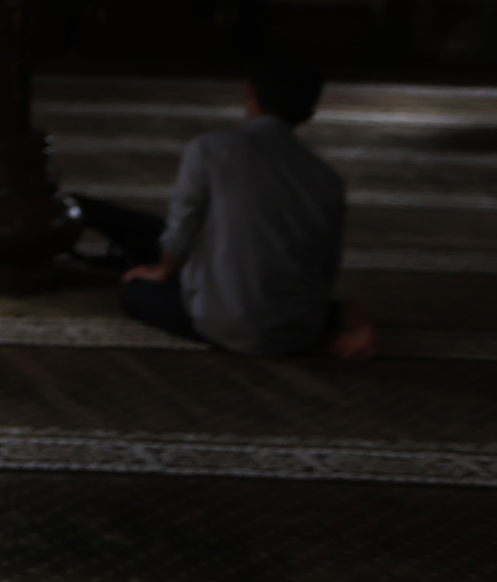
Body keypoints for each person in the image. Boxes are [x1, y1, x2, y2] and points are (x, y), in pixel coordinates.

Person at [77, 61, 375, 359]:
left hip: (229, 324)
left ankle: (76, 212)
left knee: (134, 291)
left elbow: (182, 230)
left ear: (250, 92)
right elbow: (326, 266)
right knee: (157, 232)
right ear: (310, 113)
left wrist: (162, 271)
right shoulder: (327, 179)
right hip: (297, 329)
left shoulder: (211, 149)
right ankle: (342, 313)